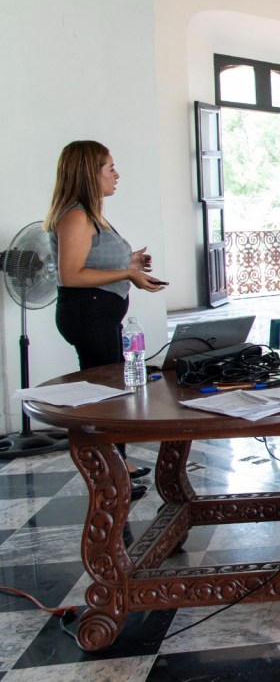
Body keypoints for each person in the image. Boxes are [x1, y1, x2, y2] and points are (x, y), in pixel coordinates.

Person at [43, 141, 167, 501]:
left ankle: (119, 466)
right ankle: (110, 473)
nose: (116, 174)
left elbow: (92, 262)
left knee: (112, 393)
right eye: (109, 167)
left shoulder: (89, 214)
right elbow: (70, 275)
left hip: (99, 311)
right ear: (88, 173)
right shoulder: (76, 215)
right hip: (88, 312)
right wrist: (127, 276)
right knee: (106, 398)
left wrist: (129, 263)